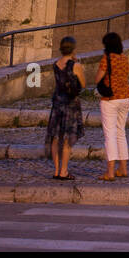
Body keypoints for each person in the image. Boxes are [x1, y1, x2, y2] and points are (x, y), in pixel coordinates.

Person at [46, 36, 85, 180]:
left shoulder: (55, 64)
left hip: (57, 103)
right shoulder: (76, 65)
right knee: (68, 139)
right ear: (73, 49)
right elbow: (83, 84)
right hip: (70, 104)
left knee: (55, 138)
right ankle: (64, 171)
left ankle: (56, 170)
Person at [95, 31, 129, 180]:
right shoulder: (124, 58)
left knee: (109, 134)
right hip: (125, 97)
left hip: (110, 99)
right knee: (120, 132)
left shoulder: (106, 59)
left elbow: (98, 78)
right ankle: (123, 168)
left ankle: (110, 172)